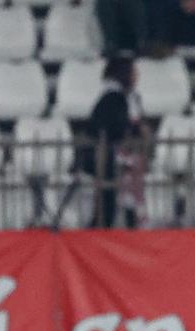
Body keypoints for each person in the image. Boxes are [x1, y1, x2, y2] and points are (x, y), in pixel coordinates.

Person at [80, 56, 146, 229]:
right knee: (107, 204)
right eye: (134, 72)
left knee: (110, 204)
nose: (137, 76)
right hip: (107, 159)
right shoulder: (115, 98)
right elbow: (114, 129)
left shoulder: (115, 97)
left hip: (109, 157)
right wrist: (134, 130)